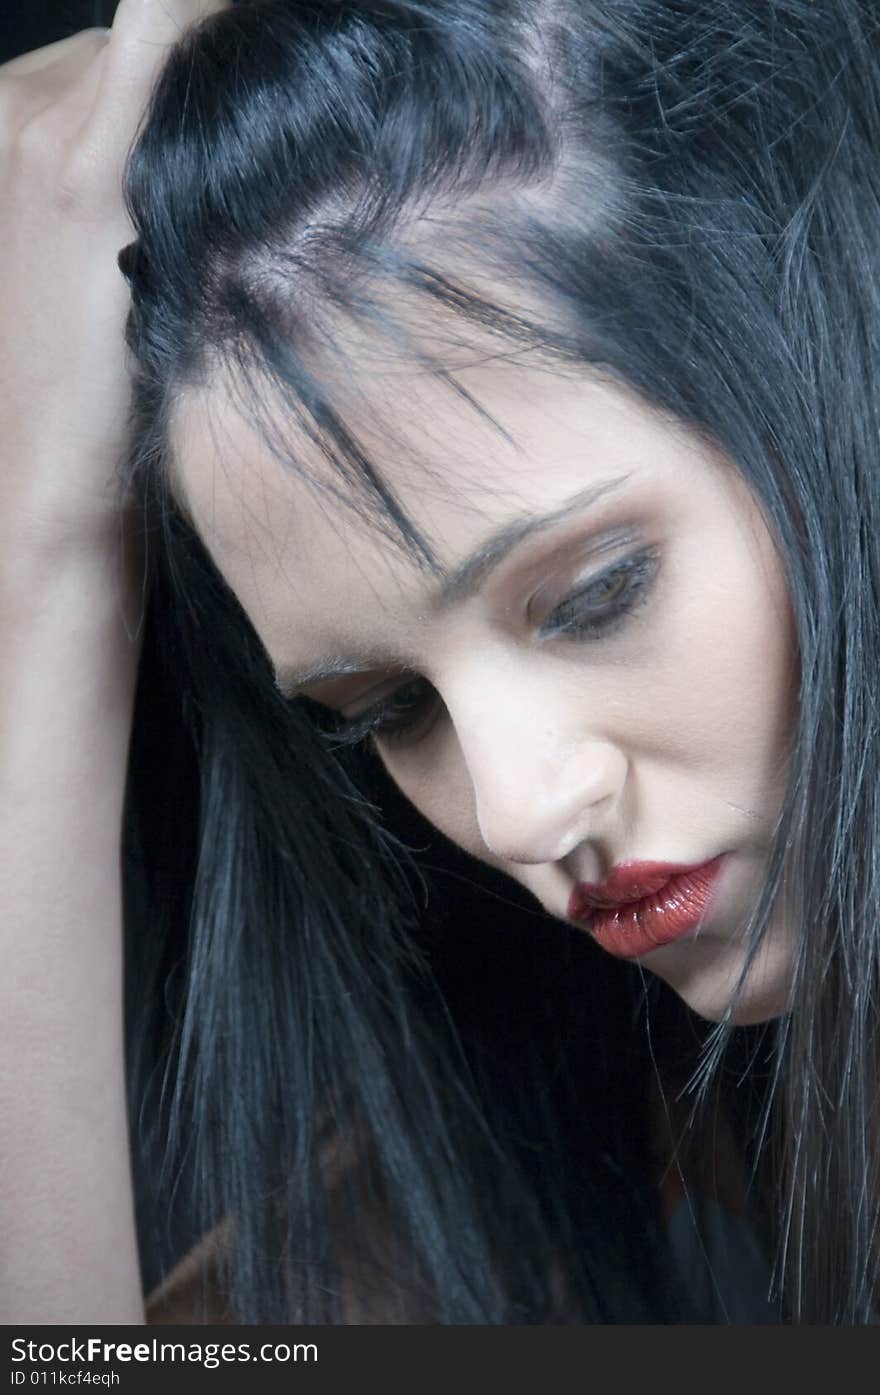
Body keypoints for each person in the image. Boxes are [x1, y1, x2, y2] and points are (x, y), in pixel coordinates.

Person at [2, 0, 877, 1325]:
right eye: (393, 710)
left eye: (596, 596)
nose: (518, 808)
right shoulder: (566, 1111)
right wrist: (48, 563)